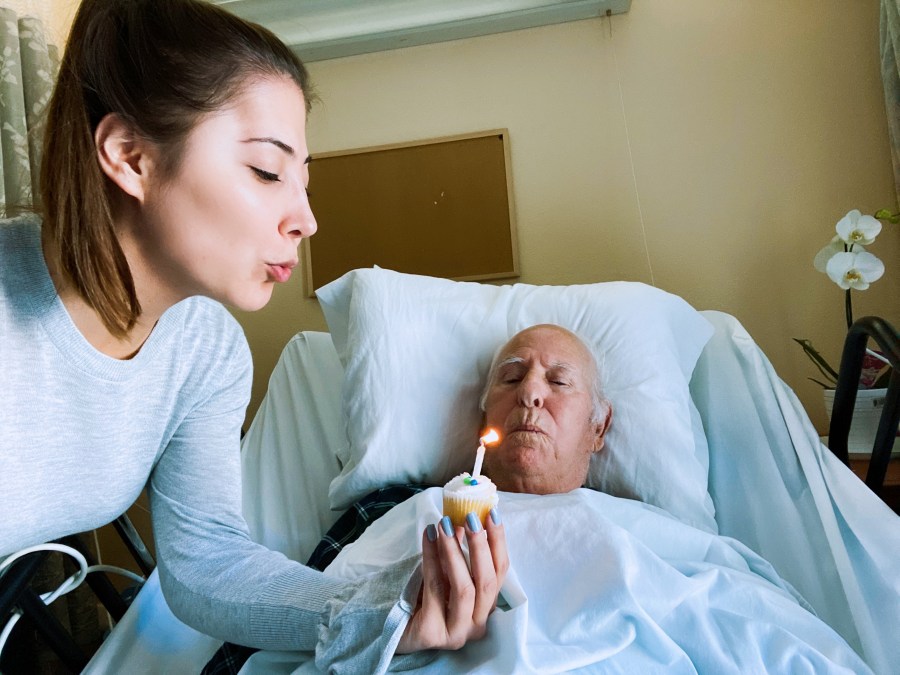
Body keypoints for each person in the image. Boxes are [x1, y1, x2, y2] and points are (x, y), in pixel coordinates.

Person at [0, 0, 506, 670]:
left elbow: (206, 562)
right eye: (268, 171)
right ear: (130, 156)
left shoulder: (207, 349)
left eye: (303, 179)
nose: (306, 219)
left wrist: (379, 607)